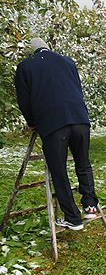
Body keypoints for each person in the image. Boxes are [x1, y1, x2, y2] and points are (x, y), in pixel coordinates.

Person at [14, 37, 99, 230]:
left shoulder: (25, 67)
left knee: (59, 171)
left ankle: (73, 218)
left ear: (32, 50)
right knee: (83, 164)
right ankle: (90, 207)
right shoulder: (67, 61)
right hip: (80, 119)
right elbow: (77, 89)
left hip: (54, 123)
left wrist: (32, 123)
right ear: (47, 48)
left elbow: (24, 99)